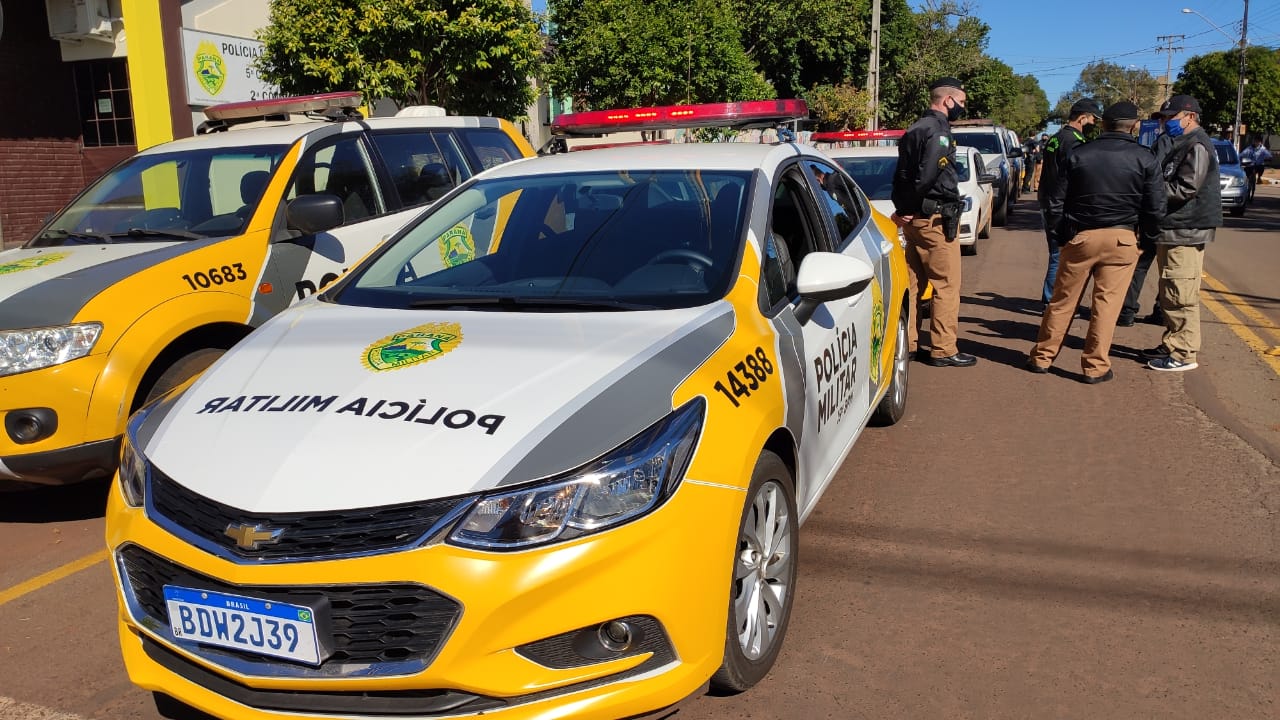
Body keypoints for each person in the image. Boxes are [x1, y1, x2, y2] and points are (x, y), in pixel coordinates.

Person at [1026, 102, 1165, 383]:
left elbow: (1056, 199)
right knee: (1107, 305)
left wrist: (1061, 236)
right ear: (1134, 125)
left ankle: (1042, 357)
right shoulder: (1145, 158)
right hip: (1123, 238)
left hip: (1082, 236)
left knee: (1063, 301)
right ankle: (1095, 367)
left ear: (1103, 124)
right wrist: (1144, 242)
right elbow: (1156, 207)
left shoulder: (1080, 153)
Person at [890, 76, 976, 367]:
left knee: (913, 285)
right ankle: (943, 349)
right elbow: (927, 176)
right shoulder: (938, 131)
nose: (962, 108)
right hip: (934, 220)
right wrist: (911, 207)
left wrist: (903, 209)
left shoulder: (915, 128)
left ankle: (910, 343)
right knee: (946, 285)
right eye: (961, 103)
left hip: (915, 221)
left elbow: (902, 175)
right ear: (947, 100)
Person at [1144, 94, 1222, 372]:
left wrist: (1150, 191)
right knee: (1169, 291)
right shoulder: (1181, 142)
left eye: (1170, 118)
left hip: (1185, 229)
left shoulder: (1197, 144)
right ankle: (1172, 343)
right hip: (1173, 229)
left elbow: (1185, 188)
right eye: (1164, 118)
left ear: (1190, 116)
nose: (1165, 123)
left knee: (1180, 292)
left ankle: (1183, 353)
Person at [1037, 98, 1101, 308]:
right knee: (1061, 255)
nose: (1093, 123)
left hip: (1049, 202)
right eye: (1092, 119)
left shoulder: (1056, 138)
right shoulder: (1074, 142)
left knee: (1056, 253)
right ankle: (1052, 300)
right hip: (1061, 205)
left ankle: (1051, 298)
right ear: (1082, 118)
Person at [1118, 112, 1175, 327]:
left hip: (1157, 214)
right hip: (1171, 216)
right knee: (1166, 269)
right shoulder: (1188, 142)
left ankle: (1127, 310)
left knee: (1140, 264)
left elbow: (1152, 177)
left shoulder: (1163, 142)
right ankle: (1159, 311)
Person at [1240, 136, 1272, 201]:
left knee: (1261, 168)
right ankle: (1248, 185)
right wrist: (1240, 159)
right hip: (1250, 165)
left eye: (1258, 141)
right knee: (1247, 174)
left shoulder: (1263, 149)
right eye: (1255, 141)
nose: (1256, 143)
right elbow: (1241, 154)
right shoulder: (1249, 148)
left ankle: (1259, 177)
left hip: (1259, 166)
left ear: (1260, 142)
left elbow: (1269, 155)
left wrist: (1268, 158)